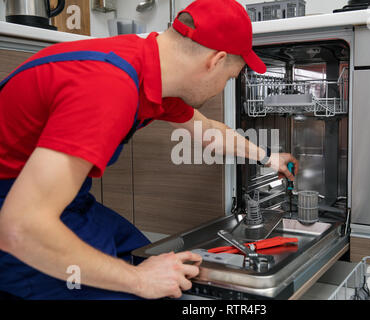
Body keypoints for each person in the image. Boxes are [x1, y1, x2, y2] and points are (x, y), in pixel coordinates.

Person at [0, 0, 298, 299]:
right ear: (215, 61)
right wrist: (138, 280)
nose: (223, 86)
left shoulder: (148, 68)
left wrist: (269, 158)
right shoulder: (107, 85)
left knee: (146, 254)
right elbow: (21, 227)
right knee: (136, 286)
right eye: (229, 78)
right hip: (17, 214)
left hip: (61, 200)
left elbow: (209, 133)